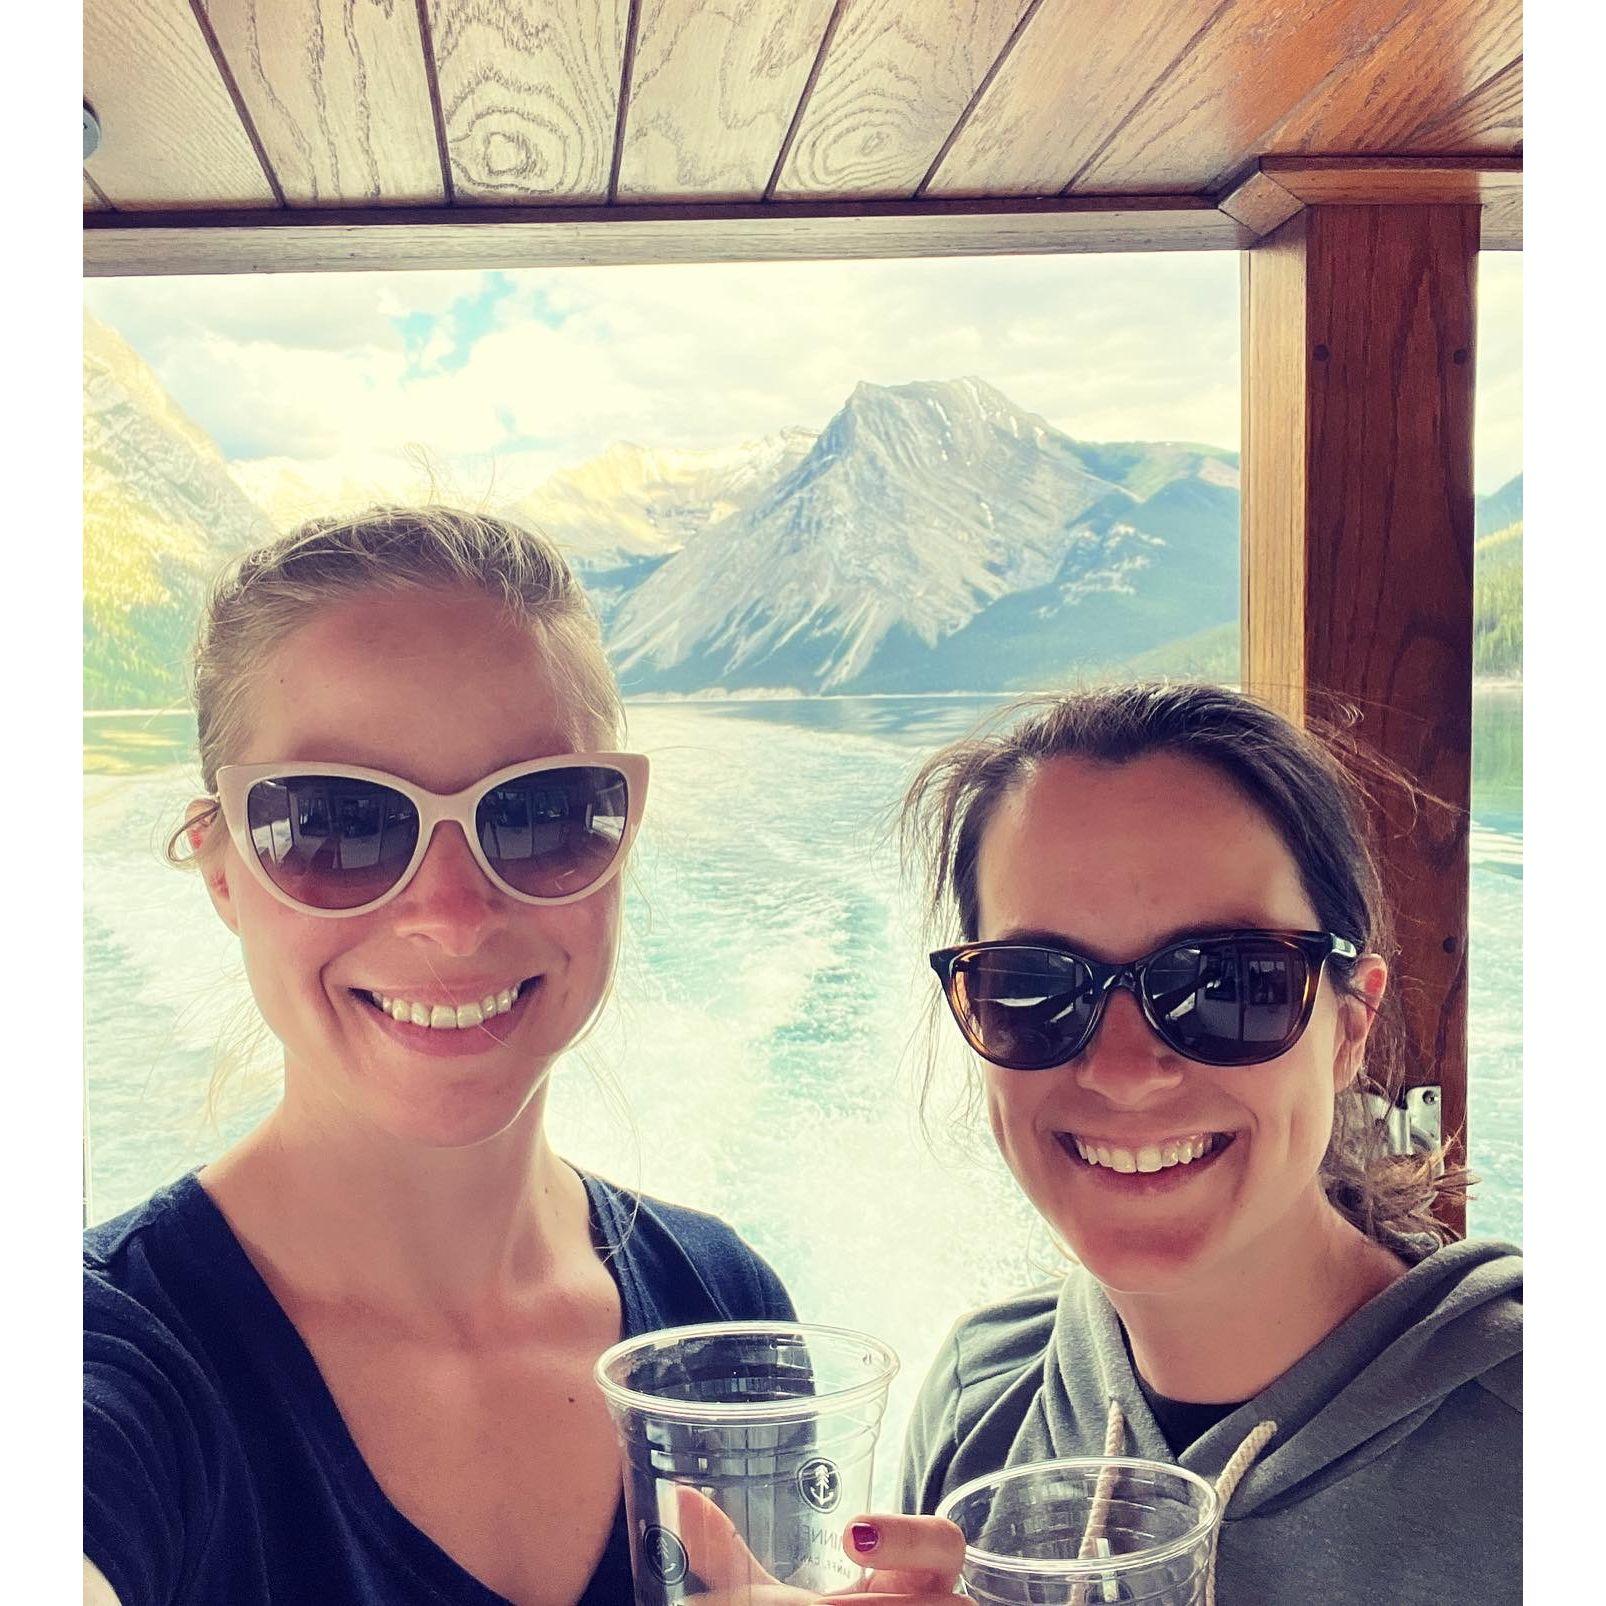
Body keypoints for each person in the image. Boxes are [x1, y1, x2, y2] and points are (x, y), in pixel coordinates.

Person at [84, 508, 963, 1606]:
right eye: (335, 824)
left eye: (543, 814)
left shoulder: (722, 1312)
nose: (453, 916)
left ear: (619, 838)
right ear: (221, 871)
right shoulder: (98, 1360)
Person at [897, 684, 1521, 1603]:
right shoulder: (978, 1402)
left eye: (1229, 984)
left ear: (1350, 1026)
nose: (1123, 1071)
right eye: (1034, 986)